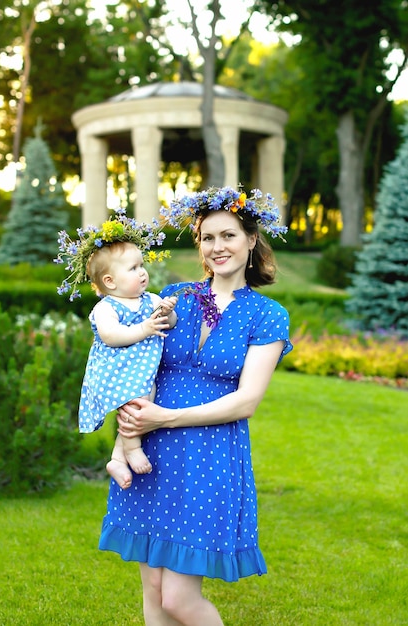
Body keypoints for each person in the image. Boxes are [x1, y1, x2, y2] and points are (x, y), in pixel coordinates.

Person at [98, 186, 293, 626]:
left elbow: (246, 401)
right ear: (199, 245)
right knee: (153, 590)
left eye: (228, 236)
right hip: (150, 452)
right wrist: (128, 430)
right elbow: (133, 357)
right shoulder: (175, 296)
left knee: (179, 599)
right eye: (208, 237)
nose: (217, 247)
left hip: (209, 454)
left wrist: (166, 417)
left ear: (250, 241)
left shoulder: (267, 314)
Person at [55, 210, 177, 489]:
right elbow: (111, 336)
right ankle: (131, 450)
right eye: (133, 269)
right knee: (135, 404)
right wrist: (144, 329)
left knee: (144, 400)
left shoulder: (150, 299)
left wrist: (167, 311)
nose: (142, 272)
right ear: (110, 282)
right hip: (116, 370)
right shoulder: (106, 308)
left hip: (140, 372)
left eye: (141, 265)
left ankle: (117, 457)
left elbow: (169, 323)